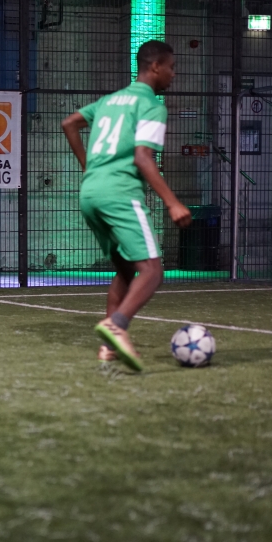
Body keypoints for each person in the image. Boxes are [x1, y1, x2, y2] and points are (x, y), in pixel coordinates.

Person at [61, 40, 192, 371]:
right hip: (120, 193)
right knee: (152, 270)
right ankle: (116, 325)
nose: (174, 75)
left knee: (124, 269)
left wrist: (88, 166)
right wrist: (173, 202)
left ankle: (108, 349)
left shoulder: (109, 100)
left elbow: (69, 123)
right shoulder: (151, 104)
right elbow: (143, 158)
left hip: (90, 194)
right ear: (156, 67)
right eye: (172, 67)